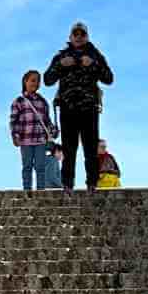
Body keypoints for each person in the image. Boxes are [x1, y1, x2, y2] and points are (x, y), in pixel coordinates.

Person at [44, 20, 113, 190]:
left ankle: (92, 184)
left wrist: (94, 64)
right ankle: (68, 185)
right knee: (69, 149)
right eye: (76, 34)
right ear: (70, 37)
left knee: (90, 149)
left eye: (82, 34)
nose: (79, 37)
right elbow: (47, 80)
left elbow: (109, 79)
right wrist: (60, 65)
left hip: (89, 109)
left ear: (87, 37)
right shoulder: (61, 57)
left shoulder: (95, 55)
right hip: (68, 110)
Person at [9, 69, 60, 190]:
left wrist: (53, 131)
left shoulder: (43, 102)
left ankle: (40, 190)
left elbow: (47, 121)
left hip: (40, 140)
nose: (35, 83)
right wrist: (15, 135)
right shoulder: (19, 101)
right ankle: (27, 190)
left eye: (38, 81)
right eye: (32, 80)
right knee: (27, 166)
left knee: (40, 167)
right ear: (25, 81)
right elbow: (14, 121)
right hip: (25, 140)